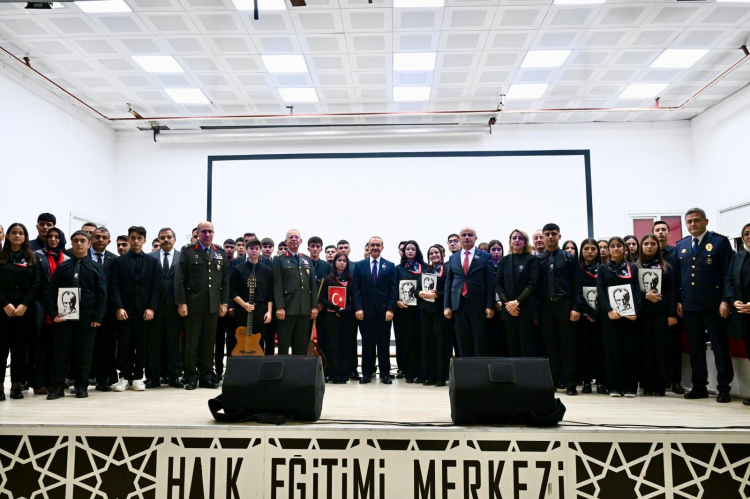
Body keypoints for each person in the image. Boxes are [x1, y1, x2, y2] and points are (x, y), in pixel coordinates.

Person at [676, 208, 735, 403]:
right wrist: (679, 300)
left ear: (706, 221)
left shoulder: (719, 242)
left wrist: (726, 300)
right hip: (689, 306)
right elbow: (678, 278)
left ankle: (724, 388)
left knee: (719, 347)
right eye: (689, 221)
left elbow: (728, 274)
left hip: (714, 306)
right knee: (696, 348)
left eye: (697, 220)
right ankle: (699, 386)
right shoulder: (681, 245)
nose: (693, 224)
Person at [46, 230, 107, 400]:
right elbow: (51, 292)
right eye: (76, 241)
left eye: (82, 241)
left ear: (89, 244)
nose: (79, 244)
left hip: (88, 316)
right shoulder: (63, 267)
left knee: (84, 353)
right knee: (61, 353)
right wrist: (53, 313)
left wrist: (98, 317)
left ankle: (81, 386)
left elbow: (102, 294)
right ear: (71, 244)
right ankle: (57, 387)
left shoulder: (96, 268)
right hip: (64, 315)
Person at [175, 221, 230, 390]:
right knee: (192, 343)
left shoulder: (219, 252)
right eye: (204, 231)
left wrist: (224, 303)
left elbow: (225, 280)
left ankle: (207, 375)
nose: (207, 234)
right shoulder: (188, 251)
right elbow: (180, 279)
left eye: (210, 231)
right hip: (193, 305)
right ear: (198, 233)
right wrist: (181, 302)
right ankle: (190, 376)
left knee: (208, 342)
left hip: (213, 306)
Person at [110, 226, 161, 393]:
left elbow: (156, 287)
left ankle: (138, 376)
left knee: (142, 344)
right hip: (124, 309)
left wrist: (151, 308)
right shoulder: (119, 261)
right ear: (129, 239)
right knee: (124, 344)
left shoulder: (152, 262)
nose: (136, 241)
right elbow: (114, 286)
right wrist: (118, 307)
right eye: (133, 238)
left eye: (139, 238)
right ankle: (124, 377)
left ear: (145, 240)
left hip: (144, 310)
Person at [536, 223, 581, 395]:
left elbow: (577, 283)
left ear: (559, 236)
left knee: (568, 346)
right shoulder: (538, 259)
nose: (550, 237)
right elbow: (535, 287)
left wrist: (576, 307)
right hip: (545, 307)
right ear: (543, 237)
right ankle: (552, 382)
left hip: (565, 306)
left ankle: (570, 384)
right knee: (549, 346)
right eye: (547, 234)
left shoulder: (569, 258)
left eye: (554, 234)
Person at [598, 236, 642, 398]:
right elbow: (600, 292)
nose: (615, 248)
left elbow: (637, 290)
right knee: (612, 351)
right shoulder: (603, 269)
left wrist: (636, 311)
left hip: (629, 317)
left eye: (618, 246)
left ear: (624, 249)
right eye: (612, 246)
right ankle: (614, 386)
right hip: (610, 317)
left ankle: (630, 387)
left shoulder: (632, 267)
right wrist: (609, 310)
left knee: (630, 351)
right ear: (608, 249)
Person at [0, 223, 40, 400]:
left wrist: (25, 304)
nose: (17, 236)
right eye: (14, 233)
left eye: (21, 233)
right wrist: (5, 303)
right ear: (7, 236)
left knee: (19, 351)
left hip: (24, 312)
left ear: (25, 237)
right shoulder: (1, 257)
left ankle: (16, 386)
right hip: (2, 311)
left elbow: (36, 284)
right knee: (1, 350)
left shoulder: (32, 258)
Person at [444, 227, 495, 357]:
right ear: (460, 239)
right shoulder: (453, 258)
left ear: (475, 238)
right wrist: (447, 306)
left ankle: (479, 368)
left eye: (470, 235)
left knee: (479, 340)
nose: (467, 237)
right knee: (462, 340)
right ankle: (464, 368)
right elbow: (449, 283)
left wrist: (490, 305)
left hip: (478, 305)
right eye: (464, 235)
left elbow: (490, 283)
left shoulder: (485, 256)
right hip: (458, 304)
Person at [637, 233, 677, 397]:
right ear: (641, 246)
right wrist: (645, 295)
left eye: (653, 244)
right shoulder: (635, 267)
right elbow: (632, 291)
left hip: (662, 313)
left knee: (662, 349)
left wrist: (672, 314)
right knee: (645, 348)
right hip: (643, 314)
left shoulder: (667, 267)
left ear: (658, 246)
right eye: (646, 243)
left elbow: (672, 292)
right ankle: (646, 385)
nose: (649, 247)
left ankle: (661, 385)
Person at [353, 237, 397, 384]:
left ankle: (385, 374)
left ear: (382, 248)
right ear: (368, 247)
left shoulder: (390, 266)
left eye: (378, 245)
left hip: (384, 313)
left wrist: (391, 309)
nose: (375, 247)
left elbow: (393, 290)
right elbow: (356, 289)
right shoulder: (359, 266)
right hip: (365, 312)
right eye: (373, 245)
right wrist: (358, 308)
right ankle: (366, 374)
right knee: (367, 344)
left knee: (384, 344)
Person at [31, 227, 69, 395]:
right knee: (41, 348)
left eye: (56, 237)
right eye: (50, 236)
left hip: (62, 306)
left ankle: (54, 381)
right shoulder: (37, 256)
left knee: (57, 348)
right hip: (41, 306)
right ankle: (38, 382)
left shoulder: (67, 258)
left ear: (61, 239)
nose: (53, 239)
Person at [273, 229, 318, 355]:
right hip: (286, 310)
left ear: (301, 241)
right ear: (286, 241)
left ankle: (299, 368)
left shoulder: (306, 260)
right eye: (291, 237)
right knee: (283, 346)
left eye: (296, 237)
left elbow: (312, 285)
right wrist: (280, 307)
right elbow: (277, 285)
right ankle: (283, 368)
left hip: (304, 310)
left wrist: (314, 306)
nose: (294, 239)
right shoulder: (279, 259)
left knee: (301, 346)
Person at [148, 227, 183, 388]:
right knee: (154, 344)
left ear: (174, 239)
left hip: (175, 307)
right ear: (159, 240)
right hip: (155, 308)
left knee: (174, 344)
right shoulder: (151, 257)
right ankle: (154, 377)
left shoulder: (182, 257)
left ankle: (174, 376)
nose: (166, 240)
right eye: (163, 237)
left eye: (169, 237)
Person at [653, 220, 684, 394]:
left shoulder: (676, 253)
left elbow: (678, 281)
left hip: (672, 306)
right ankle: (659, 381)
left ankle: (676, 380)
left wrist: (676, 304)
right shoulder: (648, 255)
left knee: (674, 346)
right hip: (653, 310)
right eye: (657, 230)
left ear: (669, 233)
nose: (660, 232)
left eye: (663, 229)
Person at [495, 230, 538, 358]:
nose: (517, 240)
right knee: (512, 348)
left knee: (526, 348)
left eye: (520, 238)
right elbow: (498, 284)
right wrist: (508, 304)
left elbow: (533, 284)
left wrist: (517, 302)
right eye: (514, 238)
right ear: (510, 241)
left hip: (526, 309)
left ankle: (527, 371)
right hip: (508, 310)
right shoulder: (504, 260)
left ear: (525, 242)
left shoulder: (532, 259)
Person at [230, 238, 274, 355]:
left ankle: (258, 364)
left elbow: (270, 294)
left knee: (259, 340)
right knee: (240, 339)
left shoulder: (267, 271)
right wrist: (244, 305)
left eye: (256, 248)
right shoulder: (238, 269)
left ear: (260, 250)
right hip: (242, 309)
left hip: (260, 311)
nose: (254, 251)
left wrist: (269, 312)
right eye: (251, 248)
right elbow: (232, 291)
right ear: (246, 250)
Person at [319, 252, 355, 384]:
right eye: (339, 260)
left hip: (347, 317)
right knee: (332, 345)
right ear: (334, 263)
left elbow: (355, 299)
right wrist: (336, 309)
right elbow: (322, 298)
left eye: (344, 261)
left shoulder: (352, 280)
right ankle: (334, 375)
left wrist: (346, 310)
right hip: (331, 317)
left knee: (346, 345)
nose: (342, 263)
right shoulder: (328, 279)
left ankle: (344, 375)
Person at [90, 227, 118, 392]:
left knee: (105, 346)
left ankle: (103, 380)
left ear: (109, 241)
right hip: (87, 308)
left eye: (104, 237)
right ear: (91, 239)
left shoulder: (114, 260)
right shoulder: (81, 256)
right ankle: (82, 380)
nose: (100, 239)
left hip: (107, 310)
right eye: (97, 236)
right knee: (85, 346)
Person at [417, 245, 450, 386]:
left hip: (440, 311)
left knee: (441, 343)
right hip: (425, 310)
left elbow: (449, 290)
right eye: (431, 253)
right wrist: (420, 293)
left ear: (442, 254)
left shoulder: (447, 270)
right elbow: (417, 289)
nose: (434, 255)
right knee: (427, 342)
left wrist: (438, 295)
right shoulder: (426, 271)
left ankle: (441, 376)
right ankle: (429, 375)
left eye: (436, 252)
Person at [576, 238, 605, 394]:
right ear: (581, 251)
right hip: (583, 315)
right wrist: (588, 310)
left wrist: (597, 312)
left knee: (600, 349)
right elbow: (576, 292)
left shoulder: (604, 269)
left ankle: (601, 381)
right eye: (586, 248)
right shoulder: (577, 269)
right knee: (584, 349)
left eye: (593, 249)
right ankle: (586, 381)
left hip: (600, 315)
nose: (590, 251)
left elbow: (606, 293)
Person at [726, 222, 750, 406]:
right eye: (746, 233)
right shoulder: (738, 256)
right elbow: (729, 281)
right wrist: (733, 300)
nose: (749, 236)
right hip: (743, 315)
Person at [394, 240, 424, 383]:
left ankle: (421, 372)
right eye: (408, 249)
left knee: (420, 341)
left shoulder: (425, 267)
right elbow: (392, 287)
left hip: (420, 310)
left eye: (413, 249)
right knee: (406, 341)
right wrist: (396, 302)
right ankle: (408, 372)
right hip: (403, 310)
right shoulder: (398, 268)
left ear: (417, 251)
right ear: (404, 252)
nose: (410, 251)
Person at [215, 238, 237, 380]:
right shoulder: (218, 262)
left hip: (233, 308)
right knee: (218, 339)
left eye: (231, 247)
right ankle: (218, 370)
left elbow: (234, 287)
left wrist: (231, 305)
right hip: (219, 307)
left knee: (232, 340)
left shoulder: (237, 263)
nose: (229, 249)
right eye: (226, 247)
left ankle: (230, 369)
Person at [486, 239, 508, 357]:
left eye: (499, 249)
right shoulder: (486, 266)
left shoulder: (506, 265)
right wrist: (493, 303)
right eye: (493, 249)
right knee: (492, 336)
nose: (496, 252)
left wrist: (502, 302)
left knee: (504, 336)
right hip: (490, 306)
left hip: (505, 305)